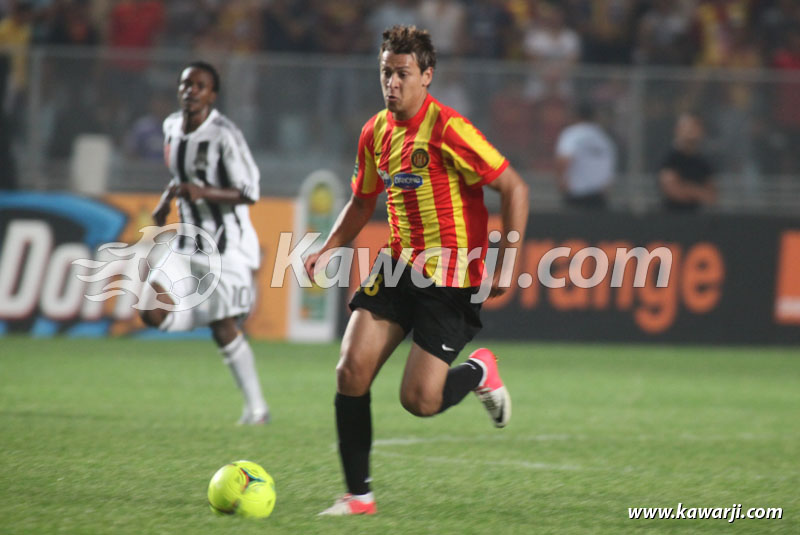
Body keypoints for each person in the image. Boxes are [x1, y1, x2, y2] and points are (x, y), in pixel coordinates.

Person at [304, 25, 529, 516]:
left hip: (452, 279)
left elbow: (514, 188)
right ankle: (359, 497)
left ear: (427, 76)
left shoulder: (450, 129)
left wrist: (507, 261)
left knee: (420, 400)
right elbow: (363, 201)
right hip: (398, 266)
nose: (391, 83)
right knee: (350, 370)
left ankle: (478, 371)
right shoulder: (375, 132)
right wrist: (328, 247)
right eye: (385, 72)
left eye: (402, 73)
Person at [140, 62, 269, 425]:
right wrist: (168, 201)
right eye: (186, 84)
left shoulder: (226, 135)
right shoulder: (170, 127)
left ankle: (257, 409)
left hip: (227, 247)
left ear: (212, 95)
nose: (190, 91)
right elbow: (180, 177)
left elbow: (250, 191)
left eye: (200, 86)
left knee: (223, 327)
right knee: (150, 309)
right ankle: (196, 313)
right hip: (188, 241)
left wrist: (202, 191)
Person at [554, 101, 617, 209]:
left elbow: (564, 159)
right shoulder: (604, 138)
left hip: (576, 195)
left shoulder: (572, 134)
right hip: (599, 196)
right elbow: (609, 168)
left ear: (575, 115)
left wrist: (561, 181)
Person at [659, 111, 716, 212]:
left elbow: (711, 196)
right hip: (672, 219)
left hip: (697, 219)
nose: (692, 131)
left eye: (695, 127)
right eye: (688, 127)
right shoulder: (670, 159)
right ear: (678, 130)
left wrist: (687, 189)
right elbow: (673, 191)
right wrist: (698, 191)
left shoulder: (703, 163)